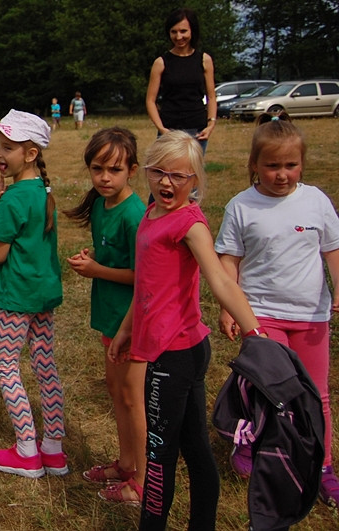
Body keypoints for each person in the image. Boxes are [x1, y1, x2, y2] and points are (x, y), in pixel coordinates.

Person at [109, 131, 262, 530]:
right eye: (158, 172)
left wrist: (254, 333)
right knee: (194, 446)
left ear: (195, 179)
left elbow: (221, 280)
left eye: (178, 176)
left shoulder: (189, 223)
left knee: (160, 455)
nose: (166, 183)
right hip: (168, 349)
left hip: (175, 355)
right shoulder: (151, 212)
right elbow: (146, 283)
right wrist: (127, 329)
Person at [214, 114, 339, 507]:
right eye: (272, 166)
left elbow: (332, 250)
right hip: (260, 314)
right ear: (254, 164)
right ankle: (252, 445)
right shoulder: (241, 206)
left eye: (290, 165)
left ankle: (322, 466)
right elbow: (228, 263)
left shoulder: (316, 201)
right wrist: (228, 308)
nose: (281, 174)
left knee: (316, 394)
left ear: (301, 164)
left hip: (310, 318)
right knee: (264, 390)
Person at [0, 109, 67, 479]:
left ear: (30, 153)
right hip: (43, 293)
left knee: (6, 366)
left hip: (17, 296)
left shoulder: (13, 199)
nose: (0, 152)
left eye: (8, 147)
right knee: (45, 366)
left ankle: (27, 451)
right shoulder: (42, 191)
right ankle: (54, 450)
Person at [64, 127, 147, 504]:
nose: (104, 177)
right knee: (116, 392)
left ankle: (143, 482)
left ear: (133, 169)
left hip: (133, 322)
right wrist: (93, 258)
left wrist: (97, 271)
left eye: (114, 169)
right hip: (110, 318)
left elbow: (144, 277)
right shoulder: (100, 205)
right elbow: (111, 256)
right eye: (98, 169)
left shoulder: (135, 214)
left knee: (133, 399)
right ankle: (126, 463)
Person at [145, 8, 216, 152]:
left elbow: (211, 96)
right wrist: (162, 129)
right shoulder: (161, 62)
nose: (178, 37)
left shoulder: (204, 60)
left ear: (192, 31)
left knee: (192, 173)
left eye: (183, 31)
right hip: (169, 130)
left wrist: (210, 125)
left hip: (197, 130)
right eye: (174, 32)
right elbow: (150, 101)